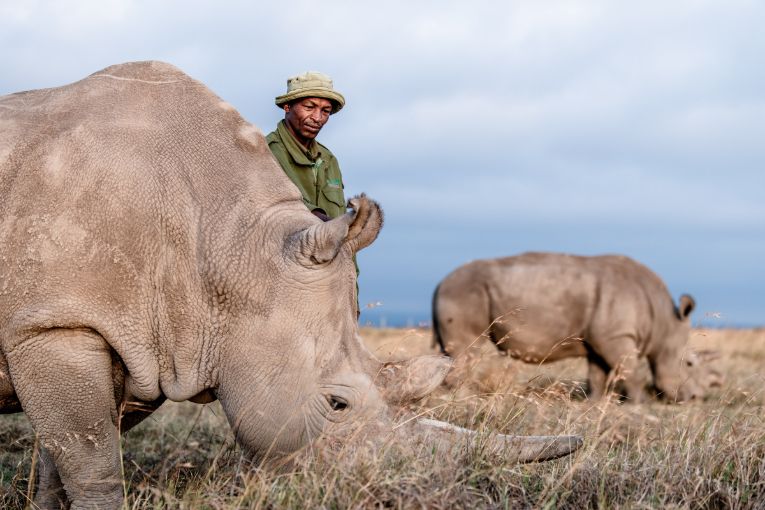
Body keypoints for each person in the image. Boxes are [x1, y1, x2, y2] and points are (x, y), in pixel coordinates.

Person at [267, 71, 347, 222]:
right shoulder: (266, 152)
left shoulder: (329, 160)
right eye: (309, 107)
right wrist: (332, 227)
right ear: (287, 107)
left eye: (325, 111)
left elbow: (340, 217)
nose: (317, 118)